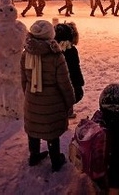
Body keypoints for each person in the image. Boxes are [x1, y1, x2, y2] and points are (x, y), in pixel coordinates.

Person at [20, 20, 76, 172]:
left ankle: (34, 155)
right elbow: (64, 83)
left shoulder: (26, 54)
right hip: (53, 100)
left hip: (32, 98)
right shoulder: (56, 56)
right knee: (52, 132)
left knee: (33, 129)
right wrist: (70, 101)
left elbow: (24, 79)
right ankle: (56, 160)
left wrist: (29, 95)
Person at [54, 22, 85, 118]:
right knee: (71, 92)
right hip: (69, 83)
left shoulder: (52, 50)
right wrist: (80, 82)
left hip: (54, 86)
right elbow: (75, 69)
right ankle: (66, 110)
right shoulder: (71, 51)